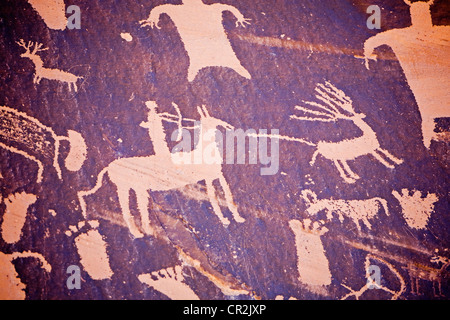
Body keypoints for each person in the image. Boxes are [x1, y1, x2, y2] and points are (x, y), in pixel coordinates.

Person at [364, 0, 450, 149]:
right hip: (423, 86)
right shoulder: (402, 35)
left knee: (427, 111)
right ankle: (427, 143)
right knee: (426, 112)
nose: (421, 20)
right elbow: (372, 41)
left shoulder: (442, 32)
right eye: (418, 15)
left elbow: (373, 41)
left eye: (423, 15)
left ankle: (428, 141)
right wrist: (368, 54)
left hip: (438, 83)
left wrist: (369, 53)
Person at [140, 0, 252, 82]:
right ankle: (196, 69)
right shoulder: (211, 8)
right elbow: (228, 7)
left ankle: (237, 68)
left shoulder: (179, 9)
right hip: (203, 46)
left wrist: (240, 17)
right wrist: (240, 18)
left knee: (225, 58)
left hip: (211, 45)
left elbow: (160, 8)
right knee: (201, 59)